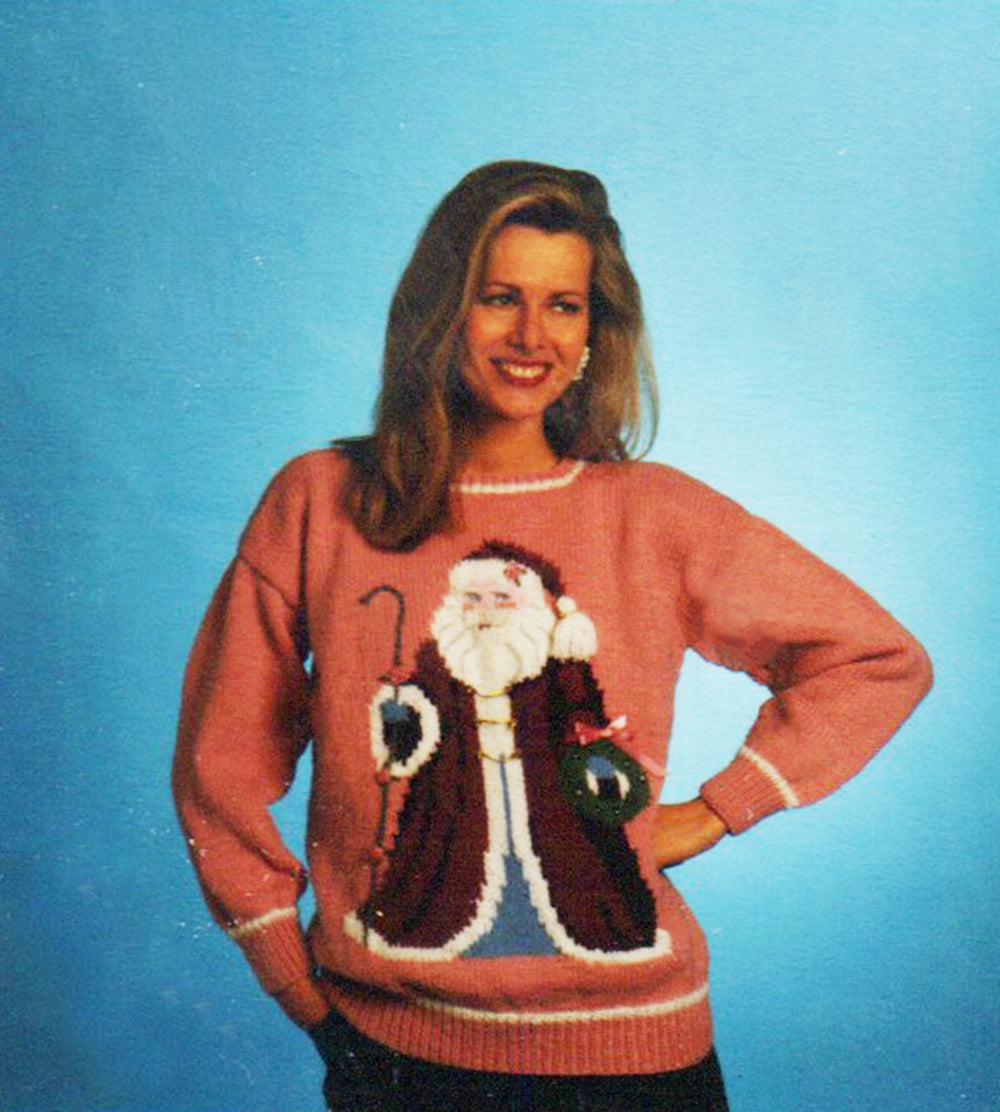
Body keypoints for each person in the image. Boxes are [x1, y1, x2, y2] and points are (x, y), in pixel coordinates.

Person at [173, 161, 932, 1111]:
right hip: (396, 1054)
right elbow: (221, 762)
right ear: (440, 311)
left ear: (594, 331)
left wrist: (715, 810)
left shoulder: (655, 514)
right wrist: (292, 978)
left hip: (638, 1061)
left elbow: (874, 660)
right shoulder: (321, 502)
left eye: (564, 306)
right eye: (499, 298)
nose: (532, 336)